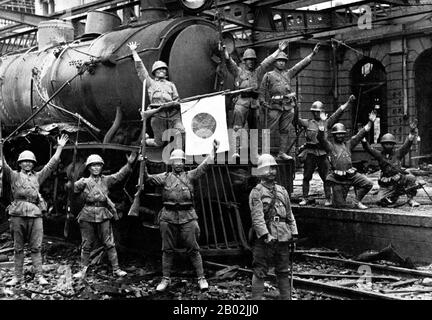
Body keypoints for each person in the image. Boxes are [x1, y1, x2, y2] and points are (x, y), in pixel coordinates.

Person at [145, 140, 219, 292]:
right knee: (167, 249)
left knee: (193, 248)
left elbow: (205, 166)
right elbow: (148, 179)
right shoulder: (164, 177)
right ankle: (165, 279)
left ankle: (201, 278)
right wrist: (142, 163)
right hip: (168, 216)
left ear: (184, 163)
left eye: (181, 161)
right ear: (171, 163)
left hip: (188, 216)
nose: (178, 164)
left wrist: (214, 151)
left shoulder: (190, 176)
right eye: (175, 161)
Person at [3, 134, 69, 286]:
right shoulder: (13, 176)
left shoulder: (38, 177)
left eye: (30, 161)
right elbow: (4, 165)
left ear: (33, 163)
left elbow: (50, 165)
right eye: (24, 161)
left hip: (35, 213)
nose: (27, 164)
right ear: (20, 163)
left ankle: (39, 275)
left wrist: (59, 148)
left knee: (36, 247)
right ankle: (17, 277)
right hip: (17, 213)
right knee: (18, 248)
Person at [73, 152, 137, 279]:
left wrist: (129, 164)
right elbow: (74, 193)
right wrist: (75, 186)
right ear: (89, 168)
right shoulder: (83, 182)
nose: (96, 168)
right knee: (86, 243)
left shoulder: (106, 180)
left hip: (103, 213)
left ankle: (116, 269)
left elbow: (120, 176)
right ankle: (83, 270)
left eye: (98, 165)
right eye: (93, 166)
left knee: (109, 243)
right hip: (87, 213)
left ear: (101, 167)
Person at [225, 40, 289, 157]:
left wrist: (279, 50)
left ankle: (254, 153)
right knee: (237, 127)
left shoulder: (258, 72)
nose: (251, 62)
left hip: (254, 104)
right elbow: (229, 62)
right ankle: (235, 151)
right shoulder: (238, 72)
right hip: (241, 103)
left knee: (254, 129)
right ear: (244, 61)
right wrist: (225, 51)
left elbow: (267, 61)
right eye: (248, 60)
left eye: (253, 60)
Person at [249, 154, 298, 300]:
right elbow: (257, 217)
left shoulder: (282, 190)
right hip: (265, 238)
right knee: (260, 270)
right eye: (267, 168)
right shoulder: (256, 192)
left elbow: (289, 214)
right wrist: (265, 235)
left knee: (283, 270)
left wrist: (294, 232)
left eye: (273, 168)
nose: (271, 171)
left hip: (283, 236)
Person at [259, 42, 320, 160]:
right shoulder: (268, 75)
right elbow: (262, 90)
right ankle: (264, 153)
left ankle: (282, 153)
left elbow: (299, 66)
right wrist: (262, 102)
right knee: (268, 130)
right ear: (274, 62)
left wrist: (312, 55)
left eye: (283, 61)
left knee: (285, 130)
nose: (281, 62)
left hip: (287, 106)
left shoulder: (288, 74)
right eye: (279, 60)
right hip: (274, 106)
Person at [297, 95, 355, 206]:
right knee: (306, 176)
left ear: (322, 112)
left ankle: (328, 198)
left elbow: (339, 113)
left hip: (323, 153)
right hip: (310, 152)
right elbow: (295, 120)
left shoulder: (327, 122)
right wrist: (295, 107)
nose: (316, 114)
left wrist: (348, 102)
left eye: (318, 112)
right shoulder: (307, 123)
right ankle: (305, 197)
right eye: (314, 111)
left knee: (326, 177)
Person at [317, 110, 377, 209]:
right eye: (338, 134)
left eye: (342, 133)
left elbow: (360, 135)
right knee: (339, 206)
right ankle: (334, 198)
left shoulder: (348, 144)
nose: (340, 135)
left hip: (351, 175)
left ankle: (357, 201)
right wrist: (322, 123)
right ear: (334, 135)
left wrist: (370, 122)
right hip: (337, 178)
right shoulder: (330, 146)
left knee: (368, 183)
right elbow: (321, 138)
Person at [128, 41, 183, 147]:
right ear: (154, 72)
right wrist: (134, 51)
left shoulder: (171, 85)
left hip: (172, 115)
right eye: (159, 69)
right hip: (157, 115)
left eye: (163, 69)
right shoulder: (151, 83)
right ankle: (145, 141)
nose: (161, 70)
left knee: (181, 132)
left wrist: (174, 104)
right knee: (159, 143)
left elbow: (177, 99)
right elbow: (140, 69)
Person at [361, 121, 420, 207]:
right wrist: (362, 135)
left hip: (399, 180)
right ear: (382, 145)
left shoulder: (398, 153)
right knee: (380, 201)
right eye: (386, 144)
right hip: (387, 184)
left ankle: (411, 199)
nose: (388, 146)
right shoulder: (379, 155)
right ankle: (393, 195)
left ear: (393, 145)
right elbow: (368, 148)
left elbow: (407, 145)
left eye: (390, 144)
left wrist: (412, 131)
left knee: (411, 178)